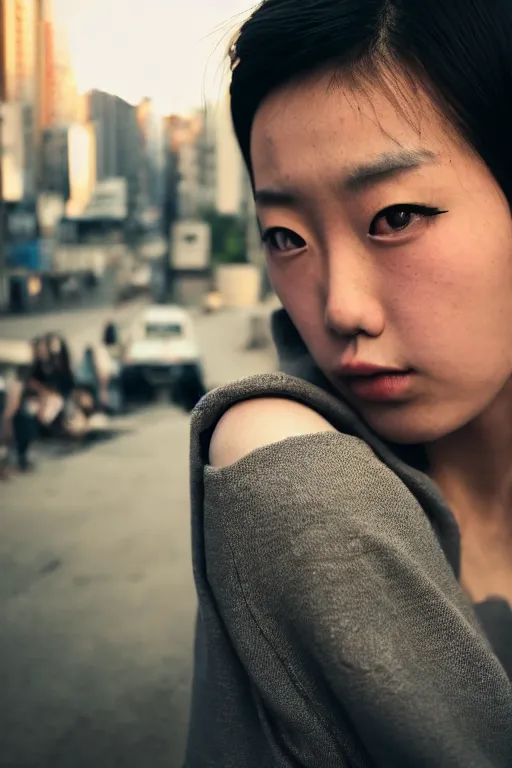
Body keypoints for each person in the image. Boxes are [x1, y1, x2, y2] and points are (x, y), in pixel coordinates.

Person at [185, 1, 512, 765]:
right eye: (286, 237)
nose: (338, 308)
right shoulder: (287, 476)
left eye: (395, 216)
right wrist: (287, 466)